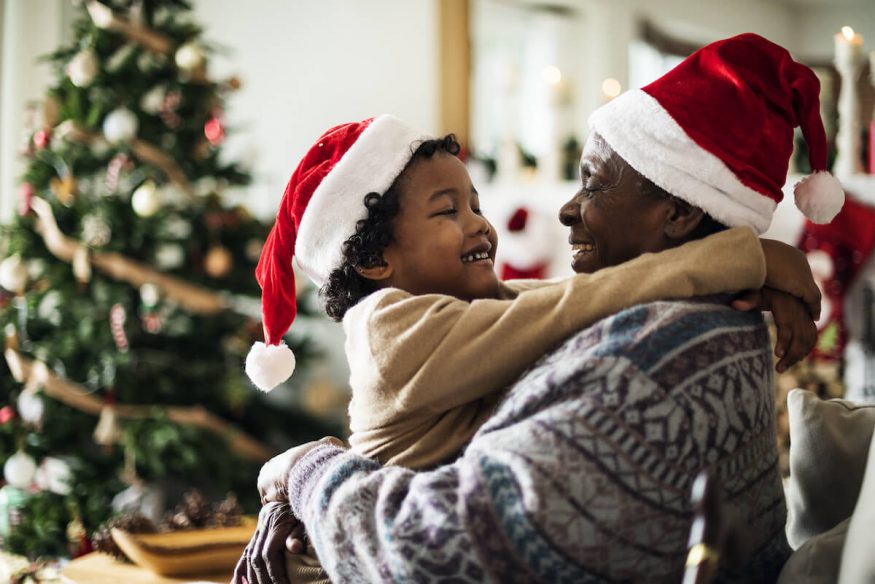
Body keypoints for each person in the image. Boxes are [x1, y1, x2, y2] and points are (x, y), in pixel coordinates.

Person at [237, 33, 842, 583]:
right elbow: (568, 307)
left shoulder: (646, 361)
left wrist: (303, 471)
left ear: (679, 214)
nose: (564, 210)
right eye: (448, 211)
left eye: (474, 204)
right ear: (375, 261)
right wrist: (744, 258)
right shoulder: (387, 326)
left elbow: (559, 304)